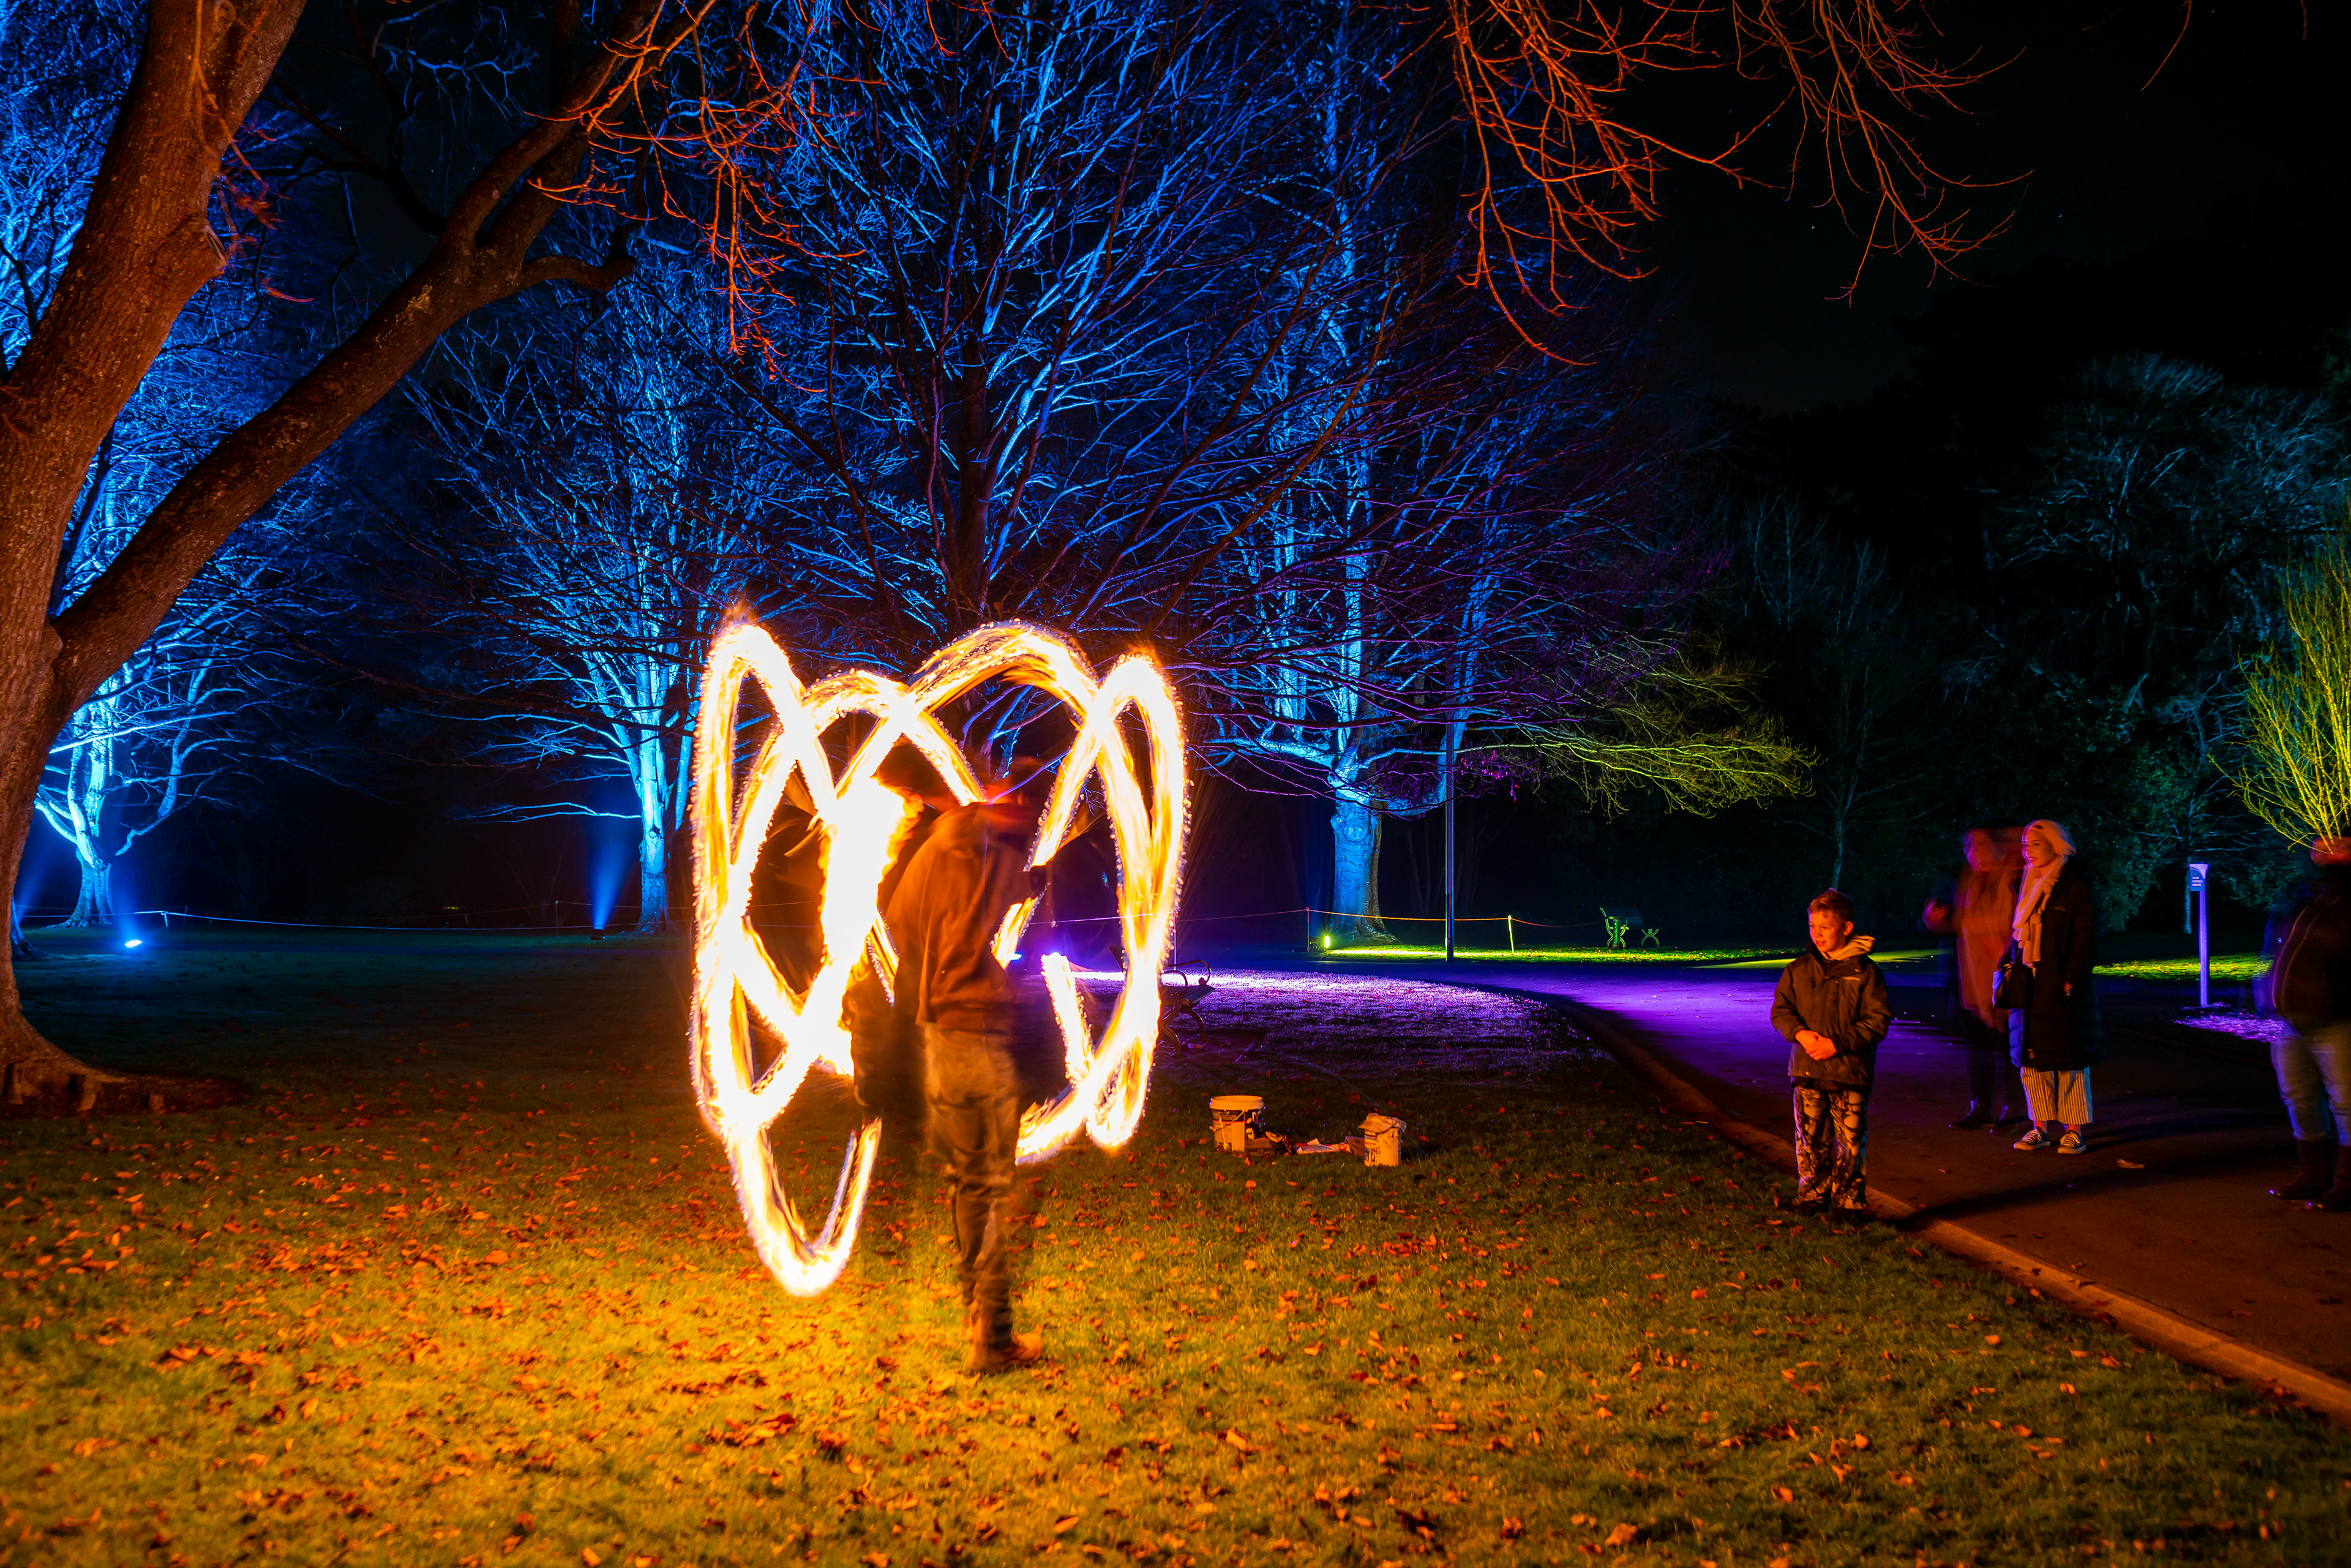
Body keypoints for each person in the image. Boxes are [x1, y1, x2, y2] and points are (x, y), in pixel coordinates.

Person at [879, 754, 1055, 1372]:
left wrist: (1030, 886)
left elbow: (900, 917)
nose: (1027, 815)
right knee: (990, 1182)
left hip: (938, 1037)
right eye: (1028, 803)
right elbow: (965, 920)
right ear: (1015, 798)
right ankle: (994, 1335)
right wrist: (975, 971)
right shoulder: (987, 842)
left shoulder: (959, 834)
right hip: (973, 1033)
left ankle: (980, 1318)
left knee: (969, 1182)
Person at [1770, 888, 1892, 1220]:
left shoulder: (1865, 973)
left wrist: (1837, 1044)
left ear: (1846, 928)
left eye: (1825, 927)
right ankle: (1812, 1195)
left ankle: (1849, 1203)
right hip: (1808, 1068)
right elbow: (1782, 1010)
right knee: (1809, 1138)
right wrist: (1800, 1033)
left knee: (1850, 1142)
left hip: (1849, 1071)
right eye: (1812, 926)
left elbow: (1877, 1021)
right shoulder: (1798, 969)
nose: (1817, 934)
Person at [2260, 836, 2351, 1210]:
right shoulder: (2307, 897)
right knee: (2298, 1097)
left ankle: (2347, 1183)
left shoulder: (2344, 903)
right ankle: (2313, 1173)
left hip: (2336, 1019)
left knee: (2346, 1102)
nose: (2322, 849)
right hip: (2291, 1019)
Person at [2006, 819, 2102, 1155]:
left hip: (2061, 985)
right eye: (2024, 844)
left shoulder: (2075, 883)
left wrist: (2069, 978)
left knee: (2069, 1056)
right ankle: (2040, 1127)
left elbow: (2086, 936)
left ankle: (2073, 1130)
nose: (2027, 851)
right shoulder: (2023, 884)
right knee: (2031, 1058)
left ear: (2056, 845)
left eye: (2035, 844)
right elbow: (2017, 935)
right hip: (2029, 982)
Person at [1921, 827, 2025, 1129]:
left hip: (2005, 976)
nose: (1972, 854)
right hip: (1972, 981)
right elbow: (1958, 922)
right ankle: (1981, 1107)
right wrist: (1935, 920)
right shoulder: (1967, 882)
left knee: (2010, 1048)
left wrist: (2001, 944)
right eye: (1968, 847)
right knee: (1979, 1049)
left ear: (1994, 849)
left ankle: (2015, 1110)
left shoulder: (2014, 879)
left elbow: (2019, 924)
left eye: (1978, 846)